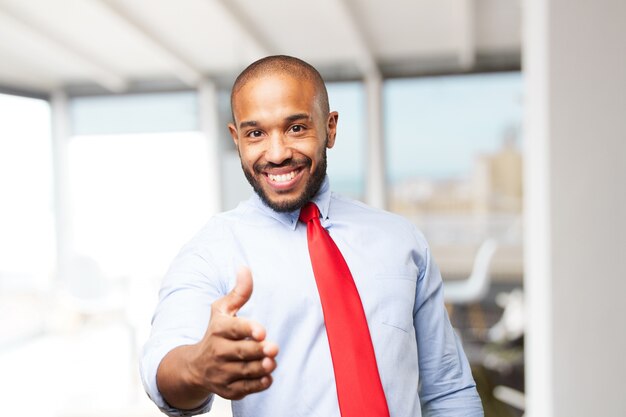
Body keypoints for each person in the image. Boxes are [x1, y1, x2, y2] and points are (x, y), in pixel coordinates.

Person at [140, 55, 484, 417]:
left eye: (296, 128)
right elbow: (162, 365)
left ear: (330, 128)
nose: (277, 154)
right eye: (255, 133)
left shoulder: (401, 241)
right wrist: (198, 366)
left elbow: (449, 389)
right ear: (236, 139)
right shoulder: (212, 250)